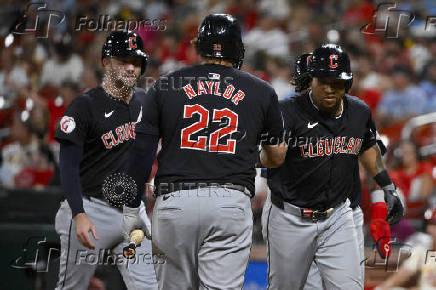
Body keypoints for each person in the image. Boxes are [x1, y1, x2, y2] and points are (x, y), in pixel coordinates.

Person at [121, 14, 287, 289]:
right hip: (229, 202)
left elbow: (141, 151)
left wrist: (130, 208)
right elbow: (278, 156)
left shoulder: (165, 84)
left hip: (175, 202)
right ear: (237, 47)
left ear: (201, 45)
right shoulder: (261, 90)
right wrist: (251, 156)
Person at [263, 44, 404, 289]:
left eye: (337, 82)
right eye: (323, 81)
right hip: (290, 217)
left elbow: (368, 148)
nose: (330, 88)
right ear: (312, 80)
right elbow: (271, 159)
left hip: (338, 215)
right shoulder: (287, 111)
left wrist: (387, 186)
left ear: (348, 83)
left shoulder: (359, 111)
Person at [54, 31, 157, 290]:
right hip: (92, 209)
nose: (130, 67)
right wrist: (78, 213)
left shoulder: (146, 102)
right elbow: (67, 165)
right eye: (122, 61)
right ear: (106, 63)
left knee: (148, 287)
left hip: (133, 213)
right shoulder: (84, 106)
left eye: (136, 61)